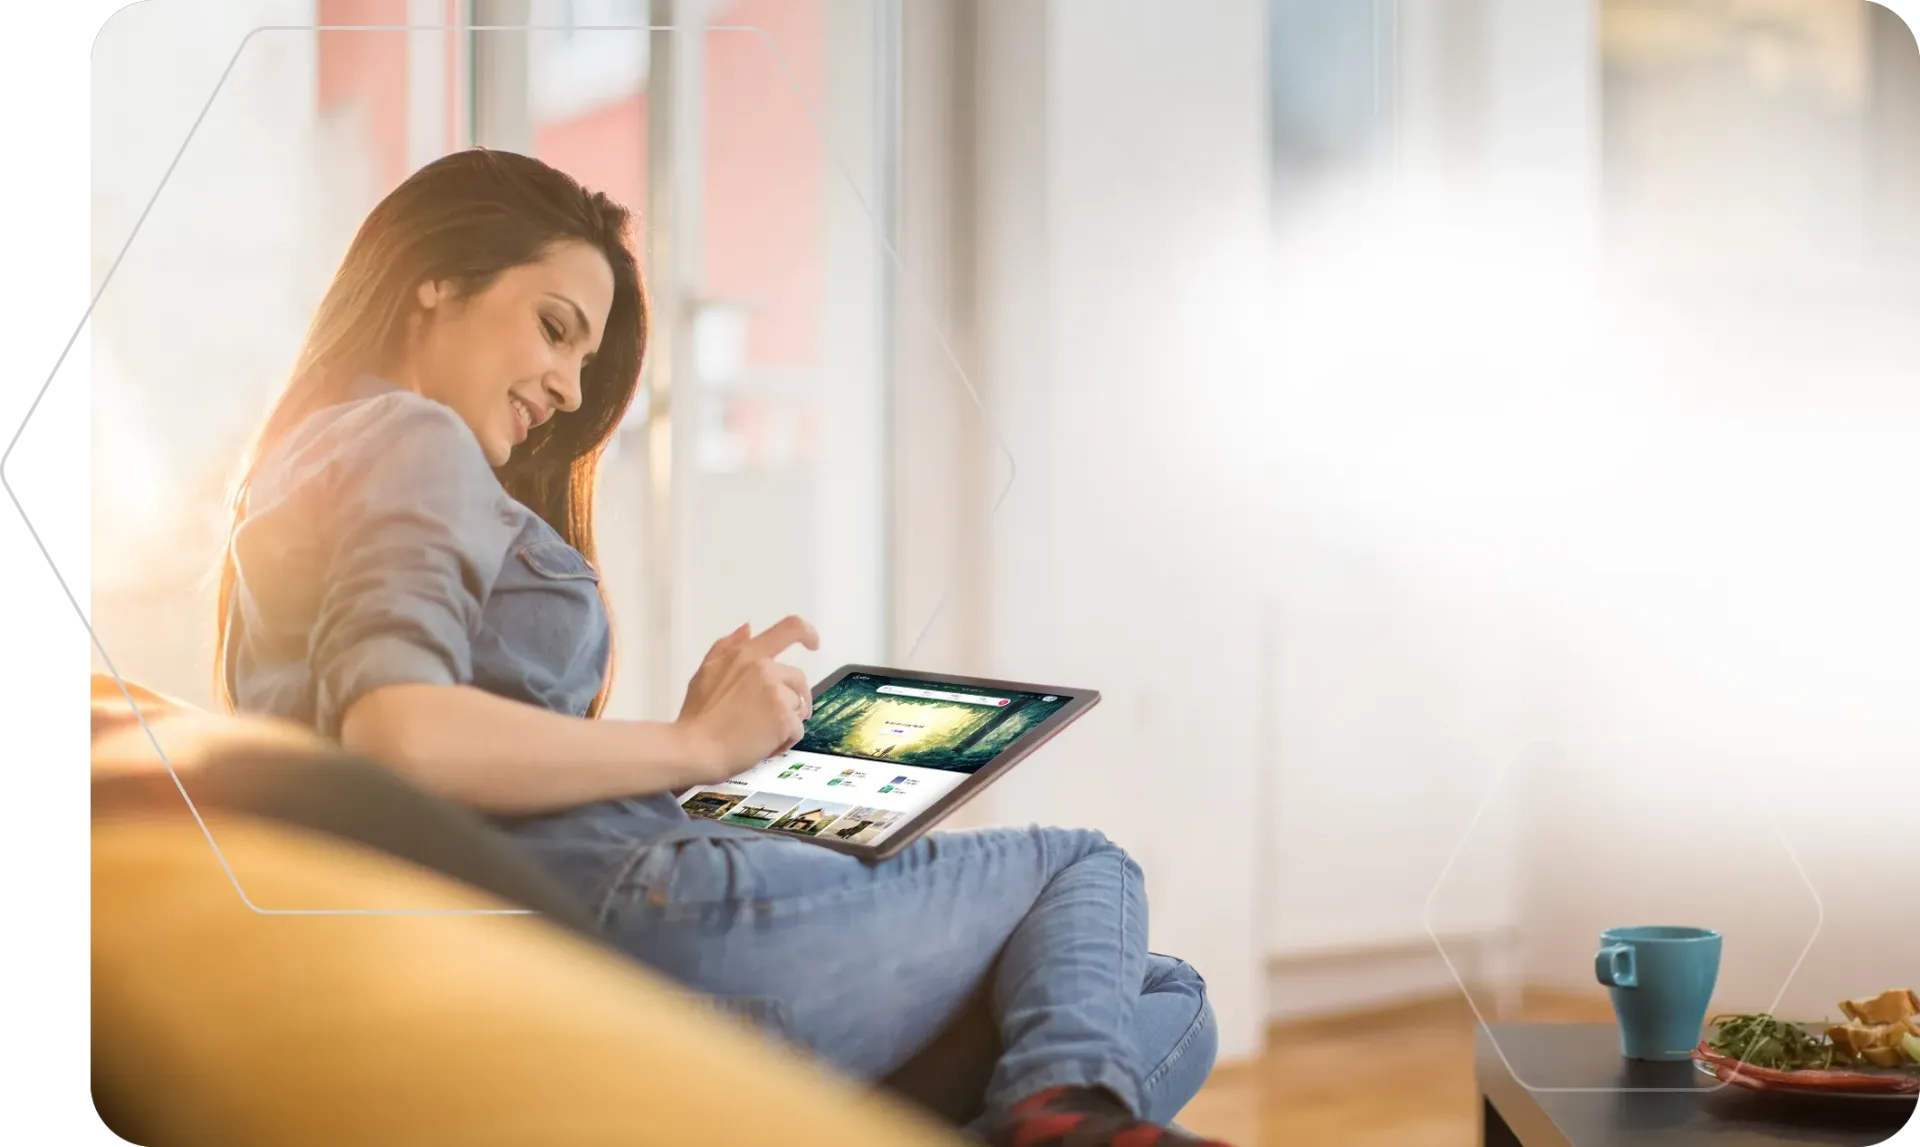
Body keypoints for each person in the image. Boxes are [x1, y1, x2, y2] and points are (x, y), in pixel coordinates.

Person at [216, 148, 1226, 1147]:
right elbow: (403, 737)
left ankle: (1051, 1112)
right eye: (555, 329)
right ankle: (1066, 1120)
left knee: (1154, 998)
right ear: (434, 276)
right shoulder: (412, 435)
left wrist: (700, 772)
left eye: (584, 358)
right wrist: (695, 744)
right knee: (1082, 873)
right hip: (626, 932)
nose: (569, 388)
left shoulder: (305, 460)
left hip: (554, 936)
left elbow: (430, 749)